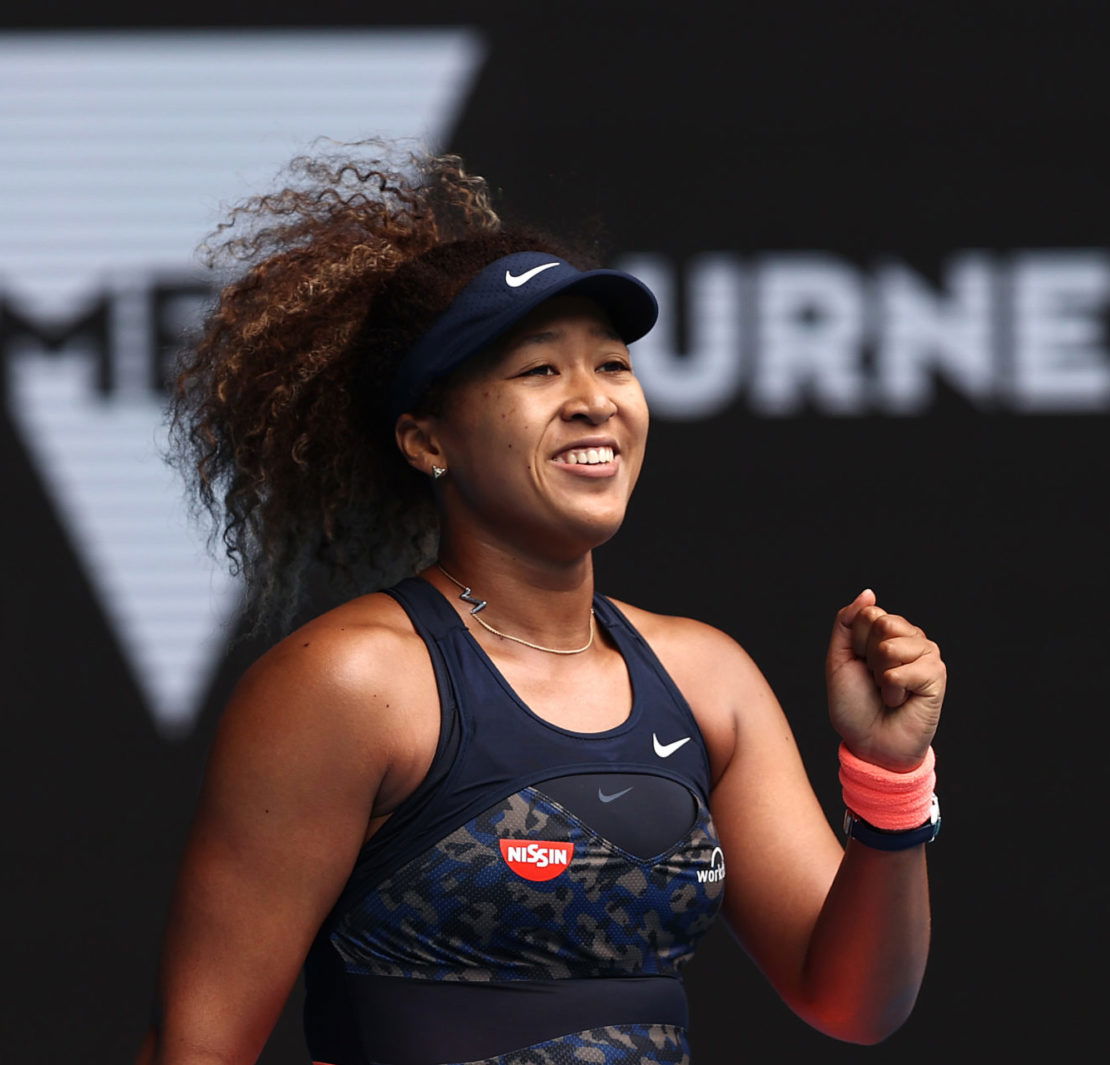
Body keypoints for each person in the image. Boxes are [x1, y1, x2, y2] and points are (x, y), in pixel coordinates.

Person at [139, 145, 946, 1065]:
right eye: (538, 372)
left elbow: (852, 1000)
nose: (592, 401)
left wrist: (890, 778)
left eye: (612, 364)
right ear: (425, 437)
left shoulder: (705, 676)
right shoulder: (352, 683)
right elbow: (197, 1049)